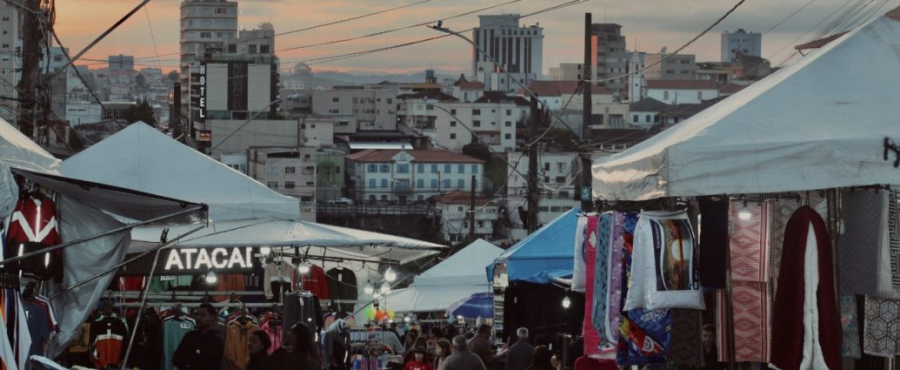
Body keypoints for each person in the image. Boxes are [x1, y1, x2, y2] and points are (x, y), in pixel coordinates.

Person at [172, 303, 225, 370]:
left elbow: (206, 363)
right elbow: (176, 359)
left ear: (213, 317)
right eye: (197, 315)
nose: (198, 318)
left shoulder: (216, 340)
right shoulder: (190, 335)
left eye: (203, 315)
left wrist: (189, 358)